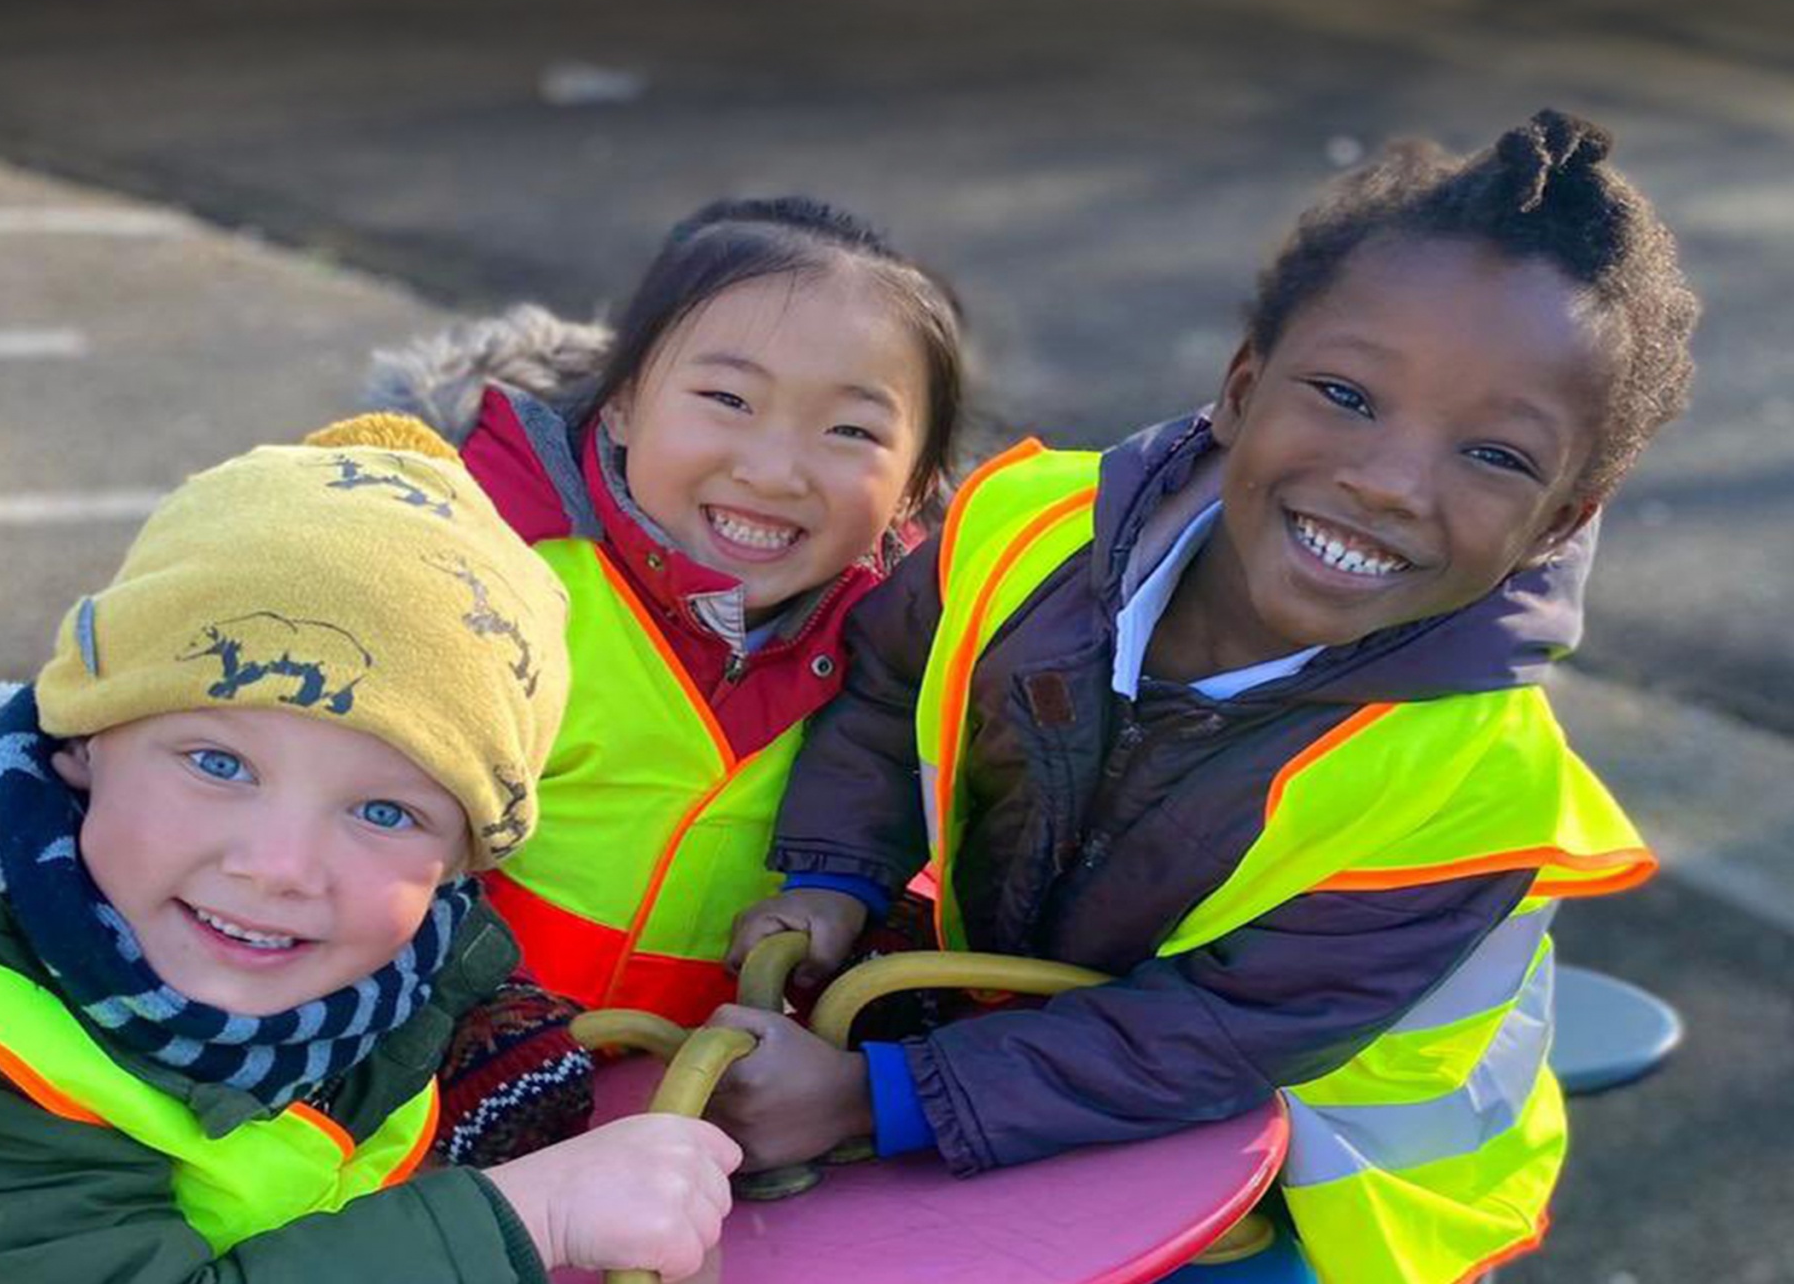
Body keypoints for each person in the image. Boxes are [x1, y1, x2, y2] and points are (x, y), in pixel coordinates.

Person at [710, 110, 1702, 1283]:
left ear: (1563, 522)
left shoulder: (1469, 786)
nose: (1385, 482)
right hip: (1036, 1053)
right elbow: (884, 689)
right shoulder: (1022, 534)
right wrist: (834, 870)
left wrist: (875, 1100)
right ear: (1240, 389)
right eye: (1343, 393)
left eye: (1493, 457)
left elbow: (1207, 1042)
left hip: (1324, 1183)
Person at [0, 426, 739, 1283]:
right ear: (83, 740)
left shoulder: (375, 970)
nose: (282, 866)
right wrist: (518, 1221)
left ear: (461, 863)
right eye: (219, 764)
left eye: (386, 813)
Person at [359, 195, 968, 1025]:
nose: (774, 469)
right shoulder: (487, 566)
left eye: (851, 431)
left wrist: (838, 897)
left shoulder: (915, 644)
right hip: (417, 1048)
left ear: (919, 483)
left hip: (695, 1087)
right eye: (729, 400)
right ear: (621, 401)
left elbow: (905, 805)